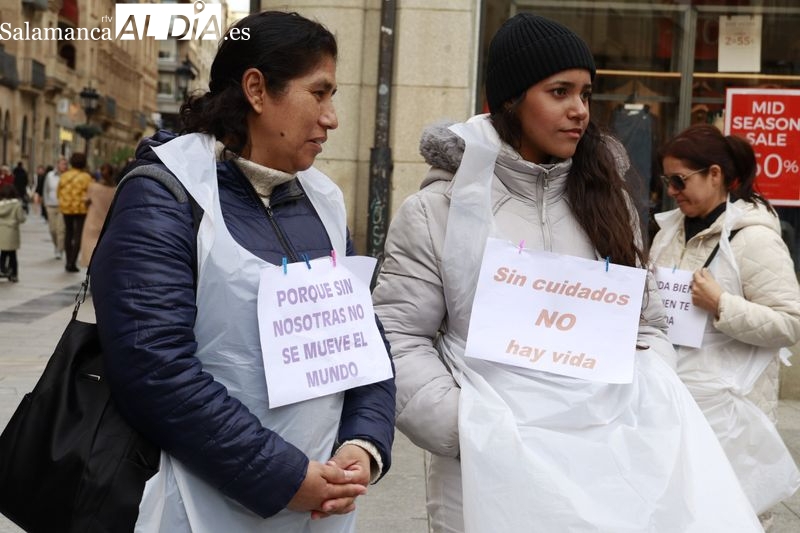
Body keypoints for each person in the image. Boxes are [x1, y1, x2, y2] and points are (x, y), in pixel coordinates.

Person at [372, 13, 762, 532]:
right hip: (487, 474)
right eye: (559, 92)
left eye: (585, 93)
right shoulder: (437, 210)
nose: (579, 110)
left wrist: (642, 395)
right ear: (509, 100)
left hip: (603, 468)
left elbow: (648, 325)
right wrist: (467, 428)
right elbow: (399, 335)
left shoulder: (610, 203)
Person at [90, 11, 395, 532]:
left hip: (317, 508)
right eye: (318, 94)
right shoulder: (166, 193)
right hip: (196, 507)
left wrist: (363, 446)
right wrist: (283, 477)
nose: (332, 118)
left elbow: (362, 341)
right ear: (256, 88)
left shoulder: (323, 201)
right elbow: (154, 368)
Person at [650, 123, 800, 527]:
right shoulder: (669, 233)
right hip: (675, 400)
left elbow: (790, 322)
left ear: (715, 175)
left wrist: (722, 305)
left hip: (733, 413)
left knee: (732, 513)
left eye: (680, 180)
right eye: (667, 181)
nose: (672, 191)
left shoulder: (755, 239)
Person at [57, 152, 92, 272]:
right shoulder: (86, 177)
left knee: (68, 233)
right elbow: (90, 193)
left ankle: (67, 261)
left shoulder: (64, 176)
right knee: (78, 235)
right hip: (81, 208)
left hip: (66, 208)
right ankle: (72, 262)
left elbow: (58, 191)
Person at [79, 162, 116, 267]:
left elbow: (86, 201)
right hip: (107, 223)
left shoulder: (93, 187)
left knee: (89, 250)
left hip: (92, 221)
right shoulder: (115, 190)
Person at [0, 183, 26, 282]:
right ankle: (14, 274)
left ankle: (2, 269)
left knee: (3, 253)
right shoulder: (16, 205)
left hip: (1, 231)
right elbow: (21, 218)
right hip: (12, 232)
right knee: (12, 255)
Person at [42, 158, 66, 259]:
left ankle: (59, 250)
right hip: (51, 205)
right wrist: (46, 203)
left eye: (65, 164)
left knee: (60, 230)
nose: (64, 166)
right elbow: (45, 189)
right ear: (57, 164)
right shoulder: (50, 175)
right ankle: (57, 246)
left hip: (63, 206)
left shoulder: (67, 176)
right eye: (62, 164)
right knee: (52, 229)